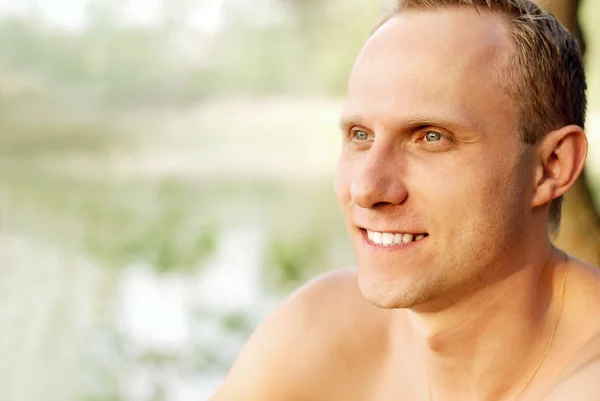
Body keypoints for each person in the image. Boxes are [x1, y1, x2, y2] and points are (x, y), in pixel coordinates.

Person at [210, 0, 600, 399]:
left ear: (552, 166)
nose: (367, 189)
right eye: (360, 135)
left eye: (431, 136)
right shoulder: (320, 327)